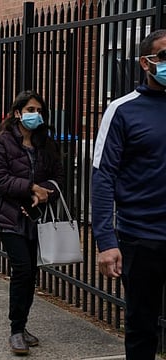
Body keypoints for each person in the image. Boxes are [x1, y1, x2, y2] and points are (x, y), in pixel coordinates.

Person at [92, 29, 166, 360]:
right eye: (163, 57)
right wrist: (106, 242)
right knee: (142, 326)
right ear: (145, 63)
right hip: (141, 238)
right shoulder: (121, 110)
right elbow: (102, 176)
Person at [0, 90, 63, 355]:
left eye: (38, 110)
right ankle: (16, 330)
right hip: (10, 215)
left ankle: (23, 324)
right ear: (17, 113)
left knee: (31, 274)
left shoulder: (46, 143)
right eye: (29, 110)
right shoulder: (0, 142)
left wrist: (46, 190)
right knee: (22, 270)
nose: (35, 115)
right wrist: (31, 188)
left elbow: (59, 177)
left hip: (37, 217)